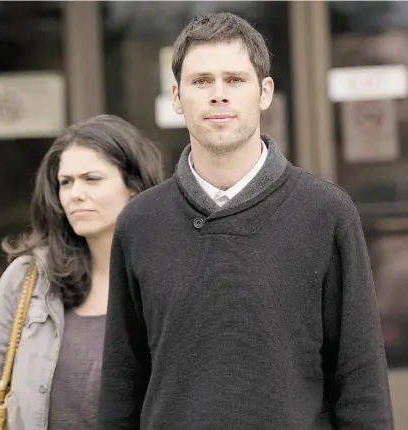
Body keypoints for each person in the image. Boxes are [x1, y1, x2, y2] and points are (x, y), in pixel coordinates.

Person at [97, 12, 393, 429]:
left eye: (234, 80)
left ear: (265, 92)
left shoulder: (326, 213)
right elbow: (121, 382)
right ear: (177, 97)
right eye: (202, 81)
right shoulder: (140, 223)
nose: (219, 95)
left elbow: (360, 377)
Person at [0, 114, 163, 429]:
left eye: (92, 179)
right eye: (66, 182)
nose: (75, 193)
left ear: (133, 186)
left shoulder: (168, 275)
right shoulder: (29, 277)